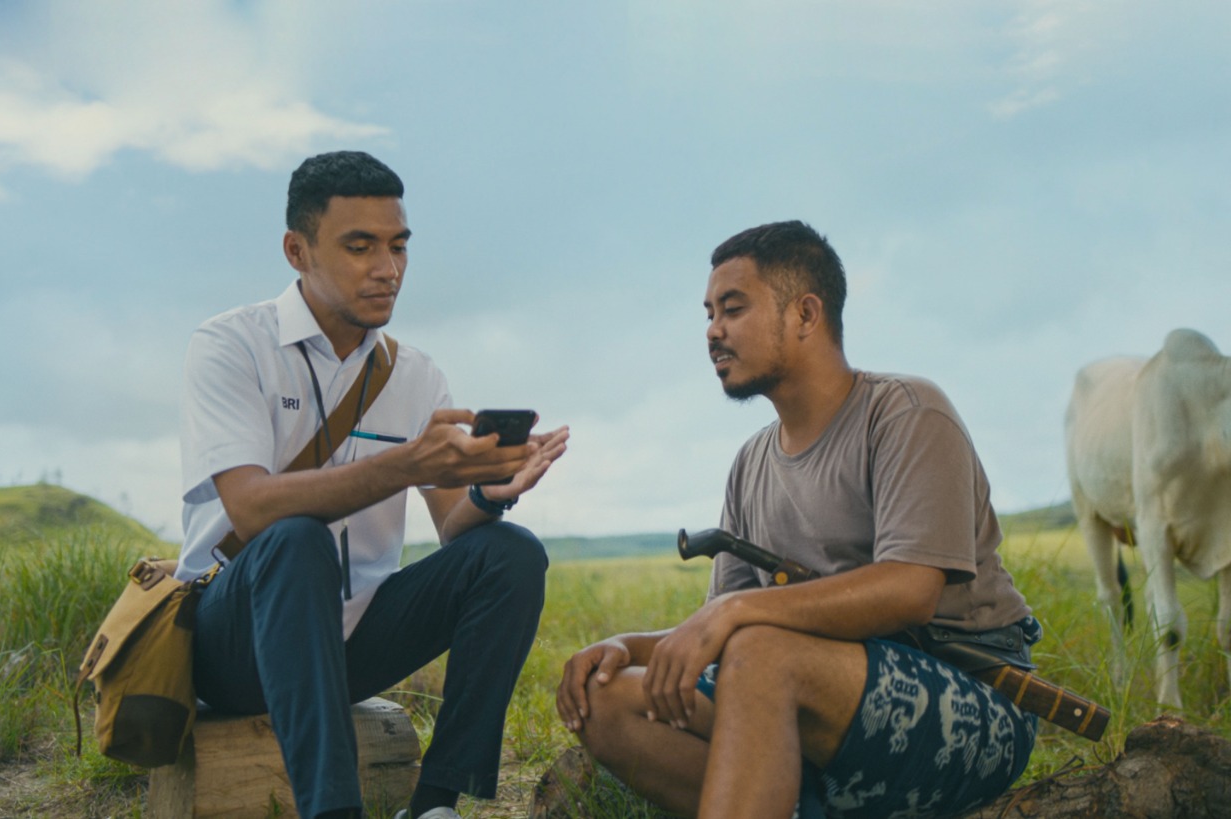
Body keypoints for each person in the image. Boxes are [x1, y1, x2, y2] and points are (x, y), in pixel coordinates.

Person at [557, 220, 1037, 818]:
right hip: (810, 701)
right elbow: (721, 632)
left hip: (976, 704)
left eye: (733, 309)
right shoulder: (751, 462)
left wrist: (735, 613)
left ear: (806, 314)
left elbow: (910, 589)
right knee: (606, 695)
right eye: (709, 314)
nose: (712, 331)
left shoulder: (907, 413)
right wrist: (625, 647)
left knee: (761, 651)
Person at [175, 150, 569, 819]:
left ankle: (435, 804)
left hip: (353, 639)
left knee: (511, 552)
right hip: (234, 641)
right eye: (360, 247)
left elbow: (452, 529)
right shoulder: (231, 345)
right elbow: (249, 506)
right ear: (297, 251)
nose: (388, 269)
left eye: (398, 246)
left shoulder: (415, 374)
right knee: (295, 539)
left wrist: (485, 493)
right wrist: (409, 464)